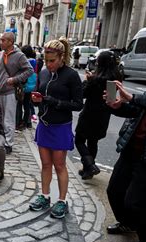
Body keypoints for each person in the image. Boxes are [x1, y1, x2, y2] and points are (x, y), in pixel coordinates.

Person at [104, 47, 146, 242]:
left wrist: (132, 98)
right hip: (132, 150)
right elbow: (138, 110)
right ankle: (128, 224)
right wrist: (117, 106)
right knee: (114, 191)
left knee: (135, 202)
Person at [29, 38, 83, 219]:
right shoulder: (43, 72)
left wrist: (56, 102)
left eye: (52, 60)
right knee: (45, 164)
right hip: (44, 124)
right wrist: (35, 99)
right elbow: (38, 93)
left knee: (59, 165)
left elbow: (77, 105)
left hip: (60, 126)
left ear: (62, 57)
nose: (49, 64)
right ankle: (44, 196)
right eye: (46, 60)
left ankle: (62, 200)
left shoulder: (71, 75)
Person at [75, 51, 121, 180]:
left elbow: (82, 94)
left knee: (79, 140)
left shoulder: (95, 79)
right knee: (93, 141)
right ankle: (87, 170)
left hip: (89, 113)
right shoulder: (114, 78)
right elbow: (110, 98)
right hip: (103, 115)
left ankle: (90, 166)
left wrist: (87, 81)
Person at [0, 32, 33, 154]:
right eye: (0, 40)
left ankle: (8, 144)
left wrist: (15, 79)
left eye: (3, 40)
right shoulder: (0, 54)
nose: (0, 42)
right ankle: (0, 140)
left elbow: (29, 70)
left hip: (10, 92)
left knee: (8, 119)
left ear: (10, 42)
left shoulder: (19, 56)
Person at [17, 44, 37, 130]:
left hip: (23, 85)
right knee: (27, 105)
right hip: (31, 86)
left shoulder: (24, 61)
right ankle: (27, 122)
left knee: (19, 104)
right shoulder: (35, 61)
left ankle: (19, 122)